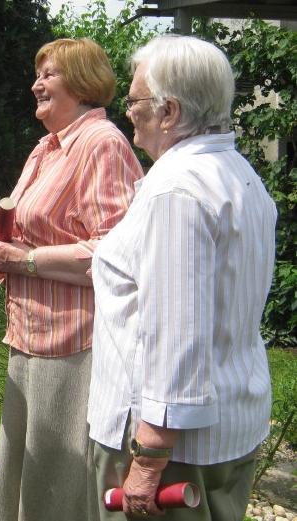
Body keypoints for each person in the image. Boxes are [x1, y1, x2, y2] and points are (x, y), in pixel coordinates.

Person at [0, 38, 143, 521]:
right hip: (29, 341)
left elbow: (116, 255)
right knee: (19, 470)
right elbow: (4, 248)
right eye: (37, 74)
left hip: (77, 347)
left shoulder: (103, 145)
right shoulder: (44, 150)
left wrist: (30, 260)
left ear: (82, 82)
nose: (36, 84)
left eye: (49, 74)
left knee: (59, 486)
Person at [87, 35, 277, 521]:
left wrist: (149, 455)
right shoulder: (238, 173)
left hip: (176, 452)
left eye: (132, 101)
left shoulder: (176, 190)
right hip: (229, 426)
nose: (126, 111)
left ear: (168, 111)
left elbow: (177, 334)